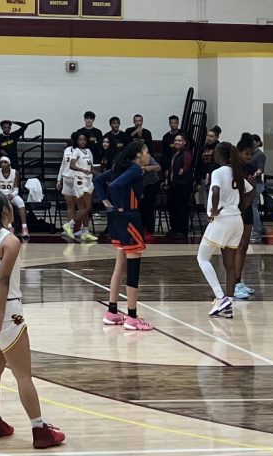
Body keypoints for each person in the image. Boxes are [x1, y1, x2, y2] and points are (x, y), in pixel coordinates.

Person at [0, 192, 67, 448]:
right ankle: (40, 430)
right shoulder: (10, 241)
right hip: (3, 310)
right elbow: (2, 281)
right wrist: (1, 316)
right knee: (24, 375)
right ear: (5, 209)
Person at [94, 140, 154, 331]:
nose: (148, 155)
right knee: (133, 269)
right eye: (146, 152)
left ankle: (112, 312)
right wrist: (119, 205)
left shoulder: (121, 167)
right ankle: (132, 317)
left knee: (120, 265)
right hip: (129, 218)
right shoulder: (135, 169)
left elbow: (98, 181)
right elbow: (115, 186)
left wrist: (106, 203)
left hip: (117, 221)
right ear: (138, 155)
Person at [198, 142, 253, 319]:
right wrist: (241, 206)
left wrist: (214, 210)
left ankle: (220, 297)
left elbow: (215, 191)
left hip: (222, 220)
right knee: (230, 266)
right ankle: (228, 303)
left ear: (221, 155)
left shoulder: (218, 172)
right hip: (237, 219)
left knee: (202, 258)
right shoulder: (236, 173)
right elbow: (252, 190)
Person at [231, 134, 259, 300]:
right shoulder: (232, 168)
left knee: (244, 245)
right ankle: (233, 282)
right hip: (236, 210)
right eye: (247, 154)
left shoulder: (250, 168)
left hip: (247, 209)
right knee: (237, 246)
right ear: (239, 153)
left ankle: (238, 281)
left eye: (251, 154)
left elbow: (251, 193)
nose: (249, 157)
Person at [56, 131, 97, 243]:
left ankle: (83, 230)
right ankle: (71, 229)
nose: (82, 141)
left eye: (84, 139)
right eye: (79, 139)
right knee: (71, 206)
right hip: (67, 179)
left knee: (83, 206)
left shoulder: (87, 151)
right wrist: (59, 179)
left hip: (78, 180)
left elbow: (90, 167)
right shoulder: (68, 150)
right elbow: (63, 165)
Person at [165, 133, 194, 241]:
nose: (177, 142)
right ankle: (174, 229)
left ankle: (182, 231)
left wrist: (184, 170)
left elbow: (187, 166)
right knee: (172, 207)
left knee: (181, 208)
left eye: (179, 140)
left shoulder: (187, 153)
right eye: (176, 140)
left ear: (184, 142)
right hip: (174, 184)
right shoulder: (175, 154)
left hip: (183, 185)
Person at [0, 156, 29, 239]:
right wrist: (4, 196)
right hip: (0, 195)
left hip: (12, 194)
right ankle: (9, 226)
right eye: (1, 162)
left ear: (9, 164)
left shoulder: (15, 172)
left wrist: (12, 195)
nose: (3, 164)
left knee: (21, 203)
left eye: (5, 162)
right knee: (5, 204)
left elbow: (16, 189)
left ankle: (24, 228)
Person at [247, 135, 267, 243]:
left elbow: (260, 169)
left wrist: (255, 174)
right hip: (250, 183)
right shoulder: (251, 154)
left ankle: (256, 229)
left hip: (257, 183)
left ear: (257, 142)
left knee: (253, 206)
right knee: (252, 206)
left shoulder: (260, 155)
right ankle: (254, 228)